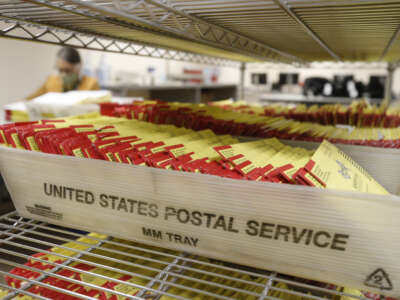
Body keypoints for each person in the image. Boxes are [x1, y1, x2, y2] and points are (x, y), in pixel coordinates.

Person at [27, 47, 99, 100]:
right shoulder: (51, 81)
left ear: (79, 66)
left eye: (68, 70)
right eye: (60, 70)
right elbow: (30, 100)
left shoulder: (91, 84)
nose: (64, 74)